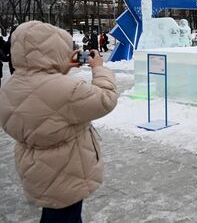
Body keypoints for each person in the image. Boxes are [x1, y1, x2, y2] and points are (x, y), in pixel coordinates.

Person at [0, 21, 119, 222]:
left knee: (55, 213)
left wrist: (70, 61)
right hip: (66, 170)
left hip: (36, 168)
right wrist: (98, 68)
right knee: (65, 216)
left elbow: (43, 70)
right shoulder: (67, 91)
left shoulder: (10, 86)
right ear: (54, 48)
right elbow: (106, 98)